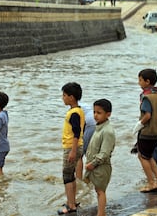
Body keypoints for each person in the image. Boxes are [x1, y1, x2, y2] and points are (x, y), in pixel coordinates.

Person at [132, 69, 157, 193]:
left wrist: (139, 124)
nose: (139, 83)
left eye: (140, 80)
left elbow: (147, 115)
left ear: (147, 82)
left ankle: (151, 183)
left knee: (142, 156)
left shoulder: (147, 97)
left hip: (148, 132)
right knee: (149, 155)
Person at [84, 99, 115, 216]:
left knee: (101, 191)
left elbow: (104, 153)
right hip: (95, 165)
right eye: (94, 112)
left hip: (101, 166)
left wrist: (93, 163)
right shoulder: (99, 127)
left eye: (99, 113)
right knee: (98, 190)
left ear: (108, 114)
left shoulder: (108, 131)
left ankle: (101, 213)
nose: (95, 115)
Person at [58, 82, 85, 215]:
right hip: (77, 145)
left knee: (67, 176)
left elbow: (76, 132)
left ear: (72, 97)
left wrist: (73, 151)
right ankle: (72, 201)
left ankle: (70, 206)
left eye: (64, 95)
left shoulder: (74, 113)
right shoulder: (79, 110)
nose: (63, 98)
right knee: (72, 175)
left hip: (71, 147)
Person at [76, 102, 96, 180]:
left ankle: (79, 180)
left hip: (90, 126)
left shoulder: (74, 109)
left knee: (79, 156)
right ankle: (91, 179)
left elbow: (77, 128)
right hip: (98, 124)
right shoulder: (84, 106)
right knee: (92, 154)